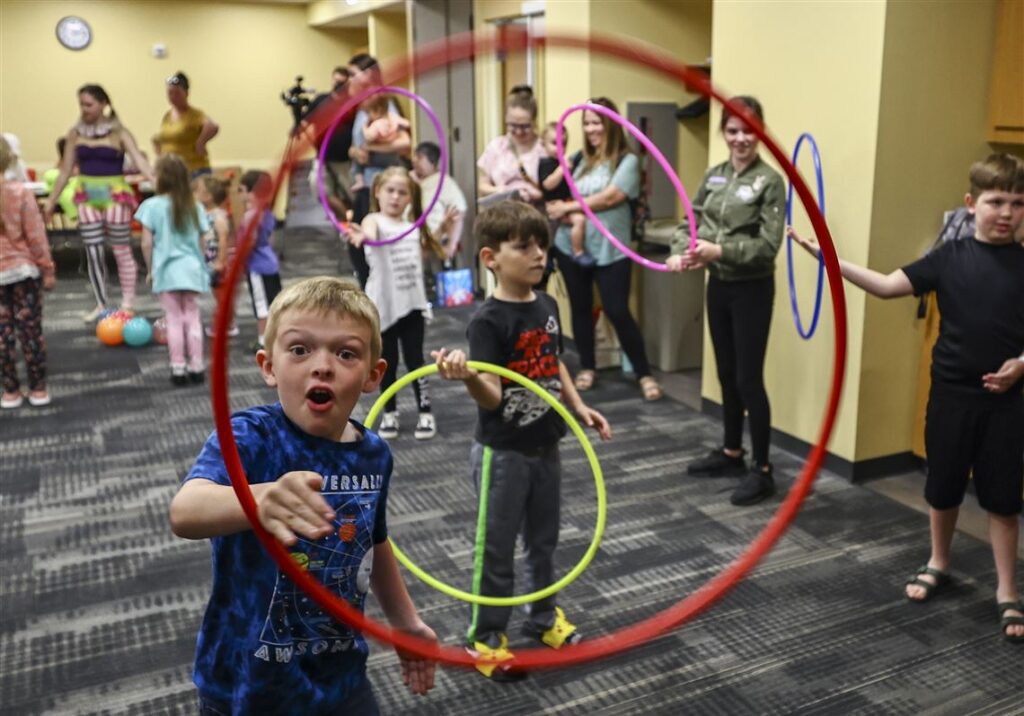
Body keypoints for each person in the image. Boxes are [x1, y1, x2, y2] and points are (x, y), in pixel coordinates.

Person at [168, 276, 438, 712]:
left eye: (345, 353)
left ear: (373, 375)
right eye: (300, 349)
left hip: (341, 675)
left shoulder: (373, 455)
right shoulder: (251, 438)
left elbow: (375, 540)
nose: (322, 366)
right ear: (268, 365)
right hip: (248, 682)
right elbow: (186, 510)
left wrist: (406, 622)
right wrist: (258, 497)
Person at [789, 153, 1024, 643]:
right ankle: (939, 561)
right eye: (996, 201)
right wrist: (825, 257)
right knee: (943, 485)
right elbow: (886, 286)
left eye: (1018, 204)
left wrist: (1022, 365)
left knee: (1003, 497)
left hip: (1009, 402)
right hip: (952, 396)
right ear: (970, 204)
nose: (1007, 212)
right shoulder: (949, 258)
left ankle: (1007, 589)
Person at [432, 201, 611, 681]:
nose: (538, 255)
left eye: (541, 245)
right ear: (491, 257)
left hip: (547, 443)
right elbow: (491, 397)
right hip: (503, 452)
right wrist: (468, 376)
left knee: (544, 541)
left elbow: (554, 364)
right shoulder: (487, 321)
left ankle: (543, 617)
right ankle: (485, 638)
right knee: (495, 548)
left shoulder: (548, 304)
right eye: (523, 246)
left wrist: (578, 407)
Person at [667, 95, 784, 507]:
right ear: (723, 133)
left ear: (761, 131)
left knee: (749, 379)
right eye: (732, 130)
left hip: (751, 289)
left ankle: (764, 469)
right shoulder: (715, 175)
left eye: (748, 130)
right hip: (718, 287)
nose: (740, 138)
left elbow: (768, 246)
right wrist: (681, 251)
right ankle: (733, 452)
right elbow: (690, 221)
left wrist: (720, 251)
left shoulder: (770, 181)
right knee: (727, 373)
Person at [546, 97, 663, 403]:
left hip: (612, 247)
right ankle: (587, 366)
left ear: (611, 123)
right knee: (580, 308)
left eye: (597, 122)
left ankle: (644, 373)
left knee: (617, 310)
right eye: (586, 123)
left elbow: (611, 197)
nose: (591, 129)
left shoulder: (627, 161)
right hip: (572, 245)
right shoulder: (580, 159)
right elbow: (551, 183)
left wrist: (567, 206)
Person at [44, 83, 154, 321]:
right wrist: (52, 200)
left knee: (122, 249)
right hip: (87, 195)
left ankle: (128, 302)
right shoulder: (75, 133)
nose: (84, 109)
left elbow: (140, 161)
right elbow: (65, 170)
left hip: (114, 194)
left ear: (104, 104)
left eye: (89, 104)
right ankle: (101, 302)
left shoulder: (119, 132)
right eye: (81, 104)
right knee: (93, 251)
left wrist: (159, 182)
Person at [350, 167, 436, 441]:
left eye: (402, 192)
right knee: (387, 361)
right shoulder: (374, 220)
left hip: (412, 305)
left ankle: (426, 411)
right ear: (377, 192)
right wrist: (365, 237)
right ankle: (390, 413)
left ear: (410, 197)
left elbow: (419, 257)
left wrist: (445, 228)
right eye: (390, 190)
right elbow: (370, 231)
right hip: (383, 306)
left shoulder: (412, 226)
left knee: (415, 359)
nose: (395, 197)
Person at [136, 154, 210, 386]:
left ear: (162, 179)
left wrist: (150, 269)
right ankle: (197, 366)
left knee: (174, 319)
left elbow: (147, 243)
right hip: (191, 270)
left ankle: (178, 368)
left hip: (166, 271)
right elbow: (204, 239)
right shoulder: (194, 206)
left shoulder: (151, 206)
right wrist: (201, 263)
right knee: (193, 317)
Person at [346, 54, 411, 288]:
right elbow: (357, 144)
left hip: (381, 186)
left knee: (373, 245)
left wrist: (369, 147)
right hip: (365, 184)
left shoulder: (383, 103)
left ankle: (380, 296)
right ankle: (370, 293)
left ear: (369, 75)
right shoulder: (361, 106)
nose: (349, 80)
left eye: (353, 74)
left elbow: (404, 143)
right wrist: (355, 151)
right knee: (357, 247)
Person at [1, 135, 56, 409]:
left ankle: (10, 392)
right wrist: (47, 268)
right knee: (30, 332)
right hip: (23, 272)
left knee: (2, 336)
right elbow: (36, 236)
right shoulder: (20, 192)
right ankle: (38, 389)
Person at [477, 86, 545, 206]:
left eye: (525, 126)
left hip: (537, 217)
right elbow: (482, 185)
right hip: (503, 216)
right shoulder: (496, 147)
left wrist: (533, 193)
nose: (518, 132)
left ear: (534, 121)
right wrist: (499, 190)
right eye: (513, 125)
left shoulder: (544, 148)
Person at [238, 170, 282, 351]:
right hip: (270, 262)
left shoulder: (251, 216)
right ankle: (274, 338)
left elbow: (251, 241)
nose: (239, 194)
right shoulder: (267, 212)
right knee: (273, 301)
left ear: (251, 192)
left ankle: (264, 340)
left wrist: (240, 258)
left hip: (258, 266)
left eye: (241, 190)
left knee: (261, 303)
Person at [304, 66, 354, 225]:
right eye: (336, 81)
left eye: (342, 82)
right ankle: (343, 216)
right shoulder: (321, 100)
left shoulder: (352, 103)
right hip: (323, 157)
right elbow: (306, 121)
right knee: (319, 189)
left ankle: (349, 222)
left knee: (350, 194)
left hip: (345, 160)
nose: (338, 85)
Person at [412, 140, 467, 280]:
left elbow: (459, 211)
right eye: (415, 157)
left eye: (420, 158)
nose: (415, 162)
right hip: (412, 233)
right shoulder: (412, 182)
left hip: (435, 234)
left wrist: (452, 244)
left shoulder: (444, 182)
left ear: (433, 162)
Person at [152, 72, 219, 179]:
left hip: (193, 170)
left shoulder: (194, 114)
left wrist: (200, 142)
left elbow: (213, 126)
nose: (173, 97)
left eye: (177, 93)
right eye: (170, 93)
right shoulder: (167, 116)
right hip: (172, 171)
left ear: (186, 93)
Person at [195, 175, 239, 338]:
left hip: (220, 261)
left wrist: (221, 261)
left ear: (208, 196)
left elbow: (224, 239)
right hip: (210, 260)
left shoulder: (218, 216)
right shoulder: (204, 213)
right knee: (218, 294)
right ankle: (228, 322)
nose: (196, 194)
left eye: (198, 192)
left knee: (221, 295)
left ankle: (228, 325)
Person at [538, 122, 587, 264]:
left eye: (563, 143)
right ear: (543, 144)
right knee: (579, 220)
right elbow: (547, 184)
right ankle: (578, 252)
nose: (560, 148)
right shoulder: (545, 163)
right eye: (554, 143)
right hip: (554, 205)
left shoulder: (562, 161)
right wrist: (562, 169)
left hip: (566, 201)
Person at [351, 94, 410, 193]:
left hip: (378, 163)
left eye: (369, 113)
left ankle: (359, 181)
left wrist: (365, 129)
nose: (368, 116)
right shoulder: (392, 117)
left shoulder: (377, 124)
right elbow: (406, 123)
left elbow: (369, 136)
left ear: (377, 110)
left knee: (359, 164)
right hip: (388, 162)